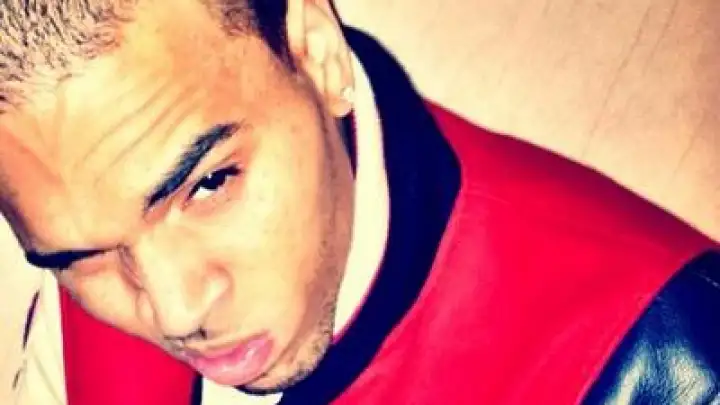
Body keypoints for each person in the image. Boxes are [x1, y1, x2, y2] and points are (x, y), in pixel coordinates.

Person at [1, 0, 718, 404]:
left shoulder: (665, 363)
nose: (175, 311)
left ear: (317, 54)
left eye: (210, 183)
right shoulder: (81, 196)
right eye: (81, 256)